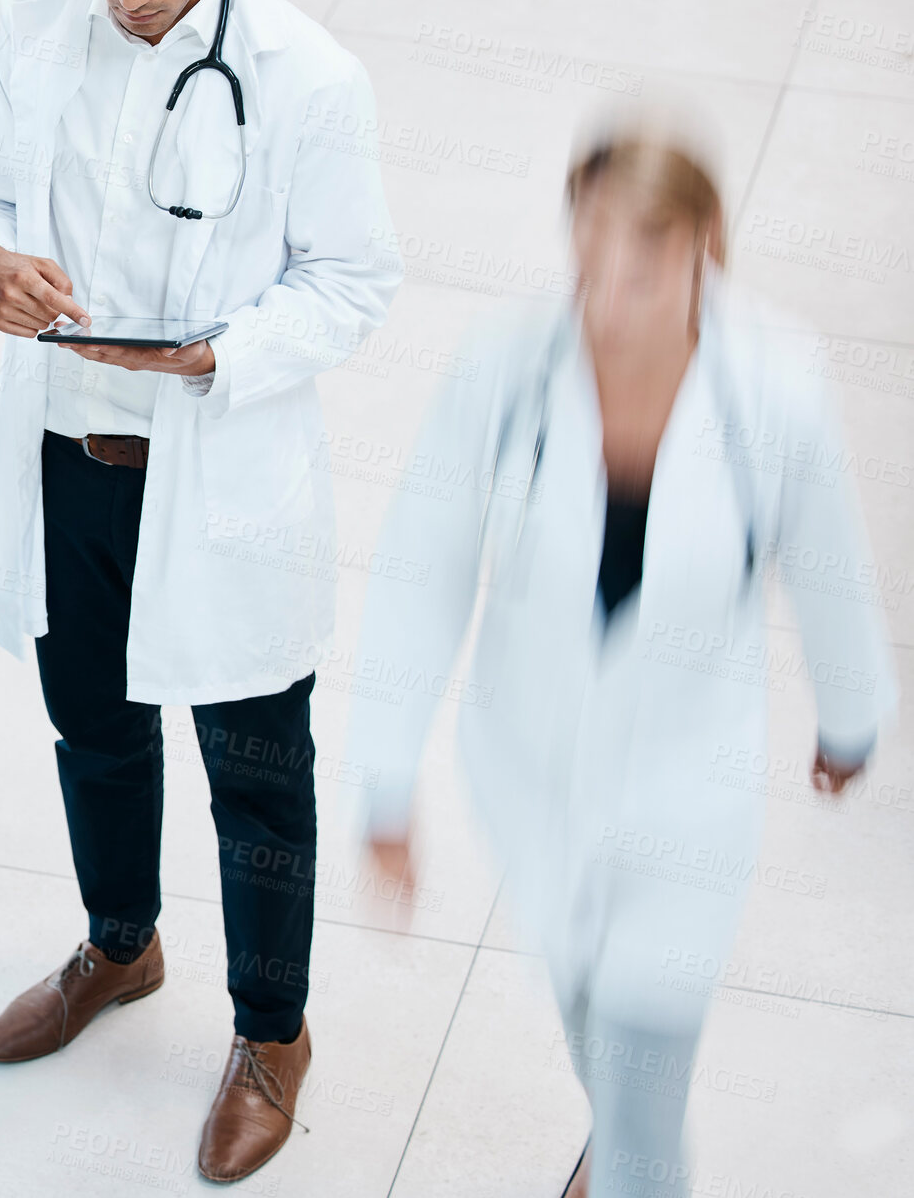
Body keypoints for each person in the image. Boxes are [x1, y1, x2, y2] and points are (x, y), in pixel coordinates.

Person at [0, 0, 399, 1183]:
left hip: (216, 479)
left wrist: (220, 351)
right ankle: (121, 942)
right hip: (69, 458)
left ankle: (272, 1033)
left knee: (256, 775)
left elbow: (354, 281)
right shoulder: (26, 23)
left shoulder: (308, 76)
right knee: (95, 729)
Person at [347, 128, 898, 1198]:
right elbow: (425, 566)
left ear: (701, 248)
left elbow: (830, 562)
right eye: (588, 259)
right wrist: (385, 775)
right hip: (531, 766)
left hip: (687, 793)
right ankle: (621, 1130)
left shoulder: (773, 386)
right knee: (591, 1004)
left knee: (644, 1084)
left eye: (639, 270)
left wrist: (850, 715)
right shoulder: (506, 367)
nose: (606, 300)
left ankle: (630, 1159)